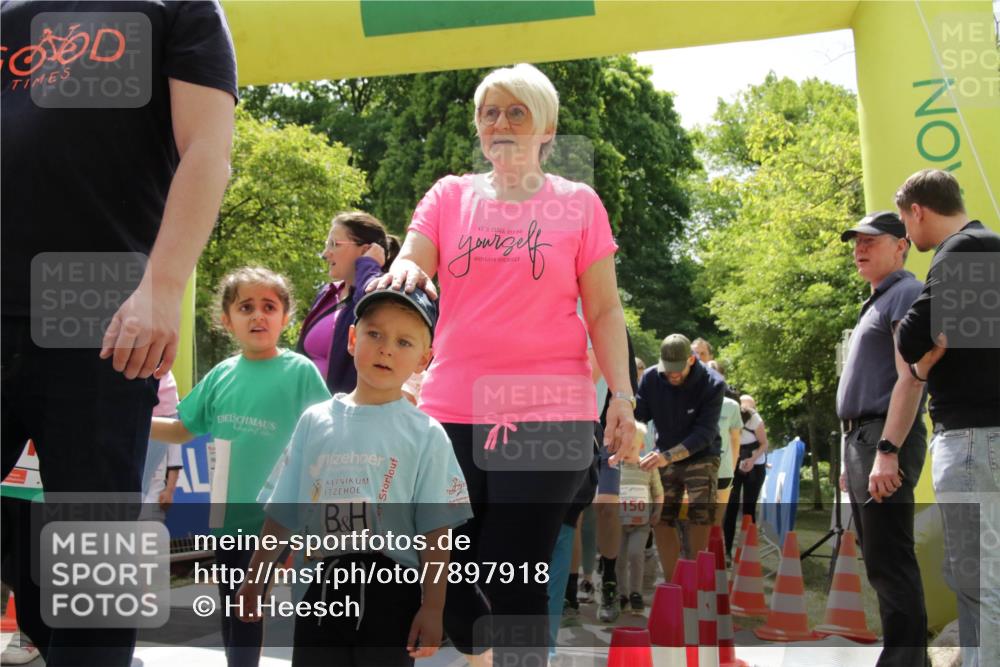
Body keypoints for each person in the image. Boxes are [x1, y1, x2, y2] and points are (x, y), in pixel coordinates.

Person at [369, 63, 636, 666]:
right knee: (450, 580)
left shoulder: (578, 204)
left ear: (547, 129)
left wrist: (621, 396)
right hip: (449, 412)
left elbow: (604, 310)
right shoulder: (449, 196)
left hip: (547, 415)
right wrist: (406, 268)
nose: (501, 122)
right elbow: (413, 257)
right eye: (489, 112)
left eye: (517, 111)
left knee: (513, 578)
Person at [1, 3, 237, 664]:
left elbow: (207, 151)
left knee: (94, 575)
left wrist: (162, 287)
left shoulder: (179, 8)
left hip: (102, 318)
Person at [235, 286, 471, 667]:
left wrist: (433, 607)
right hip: (319, 591)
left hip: (393, 595)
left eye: (404, 342)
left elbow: (436, 530)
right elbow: (282, 511)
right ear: (351, 339)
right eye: (374, 334)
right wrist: (255, 578)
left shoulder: (427, 434)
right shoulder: (314, 422)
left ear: (424, 359)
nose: (386, 349)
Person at [151, 267, 330, 667]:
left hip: (274, 517)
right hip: (225, 514)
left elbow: (326, 436)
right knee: (233, 604)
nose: (258, 315)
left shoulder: (300, 372)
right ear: (226, 319)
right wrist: (131, 424)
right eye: (246, 307)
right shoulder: (221, 374)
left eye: (269, 307)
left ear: (286, 318)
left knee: (247, 604)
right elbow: (181, 430)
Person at [892, 169, 1000, 667]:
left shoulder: (963, 250)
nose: (907, 233)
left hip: (974, 438)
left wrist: (922, 357)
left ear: (917, 210)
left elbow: (912, 338)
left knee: (979, 579)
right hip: (984, 433)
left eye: (904, 222)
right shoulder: (989, 248)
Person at [835, 211, 929, 667]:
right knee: (880, 559)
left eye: (871, 240)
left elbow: (910, 378)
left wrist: (887, 450)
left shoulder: (906, 292)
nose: (860, 248)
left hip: (883, 437)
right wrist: (850, 454)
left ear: (901, 245)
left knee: (890, 560)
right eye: (856, 241)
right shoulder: (879, 298)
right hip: (864, 438)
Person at [638, 334, 724, 582]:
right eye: (668, 369)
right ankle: (673, 581)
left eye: (678, 369)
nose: (673, 375)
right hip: (664, 452)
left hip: (701, 454)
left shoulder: (713, 383)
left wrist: (668, 456)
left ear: (691, 360)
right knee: (661, 518)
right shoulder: (651, 378)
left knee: (700, 515)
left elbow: (705, 433)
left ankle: (696, 580)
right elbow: (639, 415)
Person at [298, 211, 400, 393]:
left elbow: (371, 311)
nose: (325, 254)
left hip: (342, 406)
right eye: (326, 245)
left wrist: (368, 266)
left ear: (365, 250)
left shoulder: (383, 293)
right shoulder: (328, 293)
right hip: (303, 405)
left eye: (334, 244)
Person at [614, 423, 663, 615]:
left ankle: (636, 593)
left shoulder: (648, 467)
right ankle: (622, 594)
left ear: (641, 446)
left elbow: (658, 493)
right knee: (619, 558)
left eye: (631, 448)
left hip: (641, 524)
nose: (626, 452)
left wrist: (657, 511)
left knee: (636, 555)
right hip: (619, 524)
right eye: (623, 447)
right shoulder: (615, 467)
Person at [722, 394, 770, 555]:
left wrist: (752, 459)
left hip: (755, 464)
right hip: (733, 464)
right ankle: (727, 551)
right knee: (731, 507)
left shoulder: (755, 419)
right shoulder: (725, 415)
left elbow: (764, 443)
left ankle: (749, 552)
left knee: (749, 508)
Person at [707, 361, 741, 532]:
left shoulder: (731, 406)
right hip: (694, 471)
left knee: (715, 524)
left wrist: (732, 468)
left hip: (723, 471)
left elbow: (735, 440)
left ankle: (714, 549)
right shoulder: (688, 403)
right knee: (694, 522)